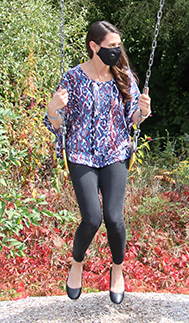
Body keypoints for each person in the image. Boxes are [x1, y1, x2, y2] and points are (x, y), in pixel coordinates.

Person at [45, 21, 151, 304]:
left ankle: (117, 270)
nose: (117, 51)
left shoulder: (124, 77)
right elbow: (58, 125)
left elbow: (133, 120)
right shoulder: (72, 78)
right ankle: (77, 263)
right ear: (94, 47)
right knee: (92, 218)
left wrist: (143, 112)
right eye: (111, 46)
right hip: (81, 154)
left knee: (114, 219)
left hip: (115, 152)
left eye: (118, 46)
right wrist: (53, 109)